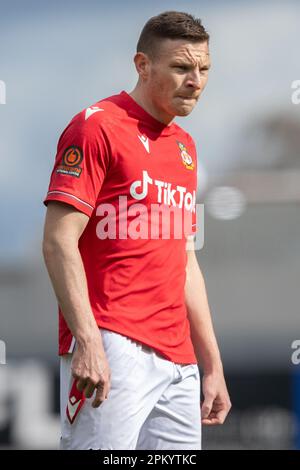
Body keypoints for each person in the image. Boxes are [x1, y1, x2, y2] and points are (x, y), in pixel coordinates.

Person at [42, 10, 231, 450]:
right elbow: (57, 241)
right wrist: (87, 341)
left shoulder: (185, 147)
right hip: (113, 343)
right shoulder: (97, 126)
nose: (196, 81)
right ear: (143, 65)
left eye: (204, 69)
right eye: (182, 67)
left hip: (179, 360)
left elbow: (185, 261)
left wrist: (212, 365)